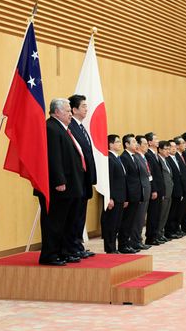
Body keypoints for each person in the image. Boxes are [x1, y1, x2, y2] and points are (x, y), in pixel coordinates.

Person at [37, 98, 85, 266]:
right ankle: (49, 255)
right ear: (56, 112)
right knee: (54, 222)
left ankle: (63, 252)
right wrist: (59, 180)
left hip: (69, 185)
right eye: (67, 111)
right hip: (57, 186)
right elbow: (53, 157)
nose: (70, 114)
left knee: (65, 222)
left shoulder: (62, 128)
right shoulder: (51, 128)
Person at [67, 94, 96, 258]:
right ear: (74, 109)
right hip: (76, 180)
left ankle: (78, 244)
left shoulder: (82, 127)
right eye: (84, 106)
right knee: (74, 216)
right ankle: (72, 246)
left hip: (84, 180)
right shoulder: (70, 128)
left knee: (80, 215)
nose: (87, 109)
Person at [101, 134, 127, 254]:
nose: (119, 144)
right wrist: (109, 198)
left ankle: (113, 247)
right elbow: (108, 180)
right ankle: (110, 248)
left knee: (117, 224)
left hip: (120, 197)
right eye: (117, 142)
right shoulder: (109, 159)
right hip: (113, 198)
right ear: (110, 144)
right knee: (110, 224)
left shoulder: (117, 158)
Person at [118, 134, 142, 254]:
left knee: (132, 221)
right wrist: (126, 196)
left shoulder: (134, 157)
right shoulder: (124, 158)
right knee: (126, 221)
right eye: (133, 142)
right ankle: (123, 245)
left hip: (136, 194)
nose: (136, 144)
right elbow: (125, 179)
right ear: (126, 144)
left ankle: (129, 243)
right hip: (129, 195)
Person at [131, 135, 152, 250]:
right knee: (138, 218)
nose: (147, 146)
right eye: (144, 144)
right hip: (141, 191)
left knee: (142, 218)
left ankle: (138, 239)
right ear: (138, 145)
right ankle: (135, 240)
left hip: (147, 190)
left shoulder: (144, 157)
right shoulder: (136, 157)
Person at [145, 132, 166, 245]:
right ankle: (150, 238)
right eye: (155, 139)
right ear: (149, 142)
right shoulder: (148, 155)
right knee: (152, 215)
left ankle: (155, 235)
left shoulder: (155, 154)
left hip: (159, 189)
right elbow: (150, 174)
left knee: (157, 214)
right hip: (154, 190)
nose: (158, 141)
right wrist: (154, 189)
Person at [165, 139, 184, 239]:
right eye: (171, 147)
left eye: (175, 146)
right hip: (172, 190)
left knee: (177, 211)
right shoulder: (167, 159)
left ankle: (176, 229)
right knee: (171, 213)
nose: (174, 148)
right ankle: (169, 231)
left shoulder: (177, 158)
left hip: (179, 189)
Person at [157, 140, 174, 242]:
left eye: (169, 149)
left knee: (165, 214)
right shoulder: (158, 160)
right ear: (160, 150)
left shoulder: (165, 160)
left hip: (169, 191)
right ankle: (157, 234)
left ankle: (161, 233)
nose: (168, 151)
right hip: (163, 192)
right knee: (161, 214)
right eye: (166, 149)